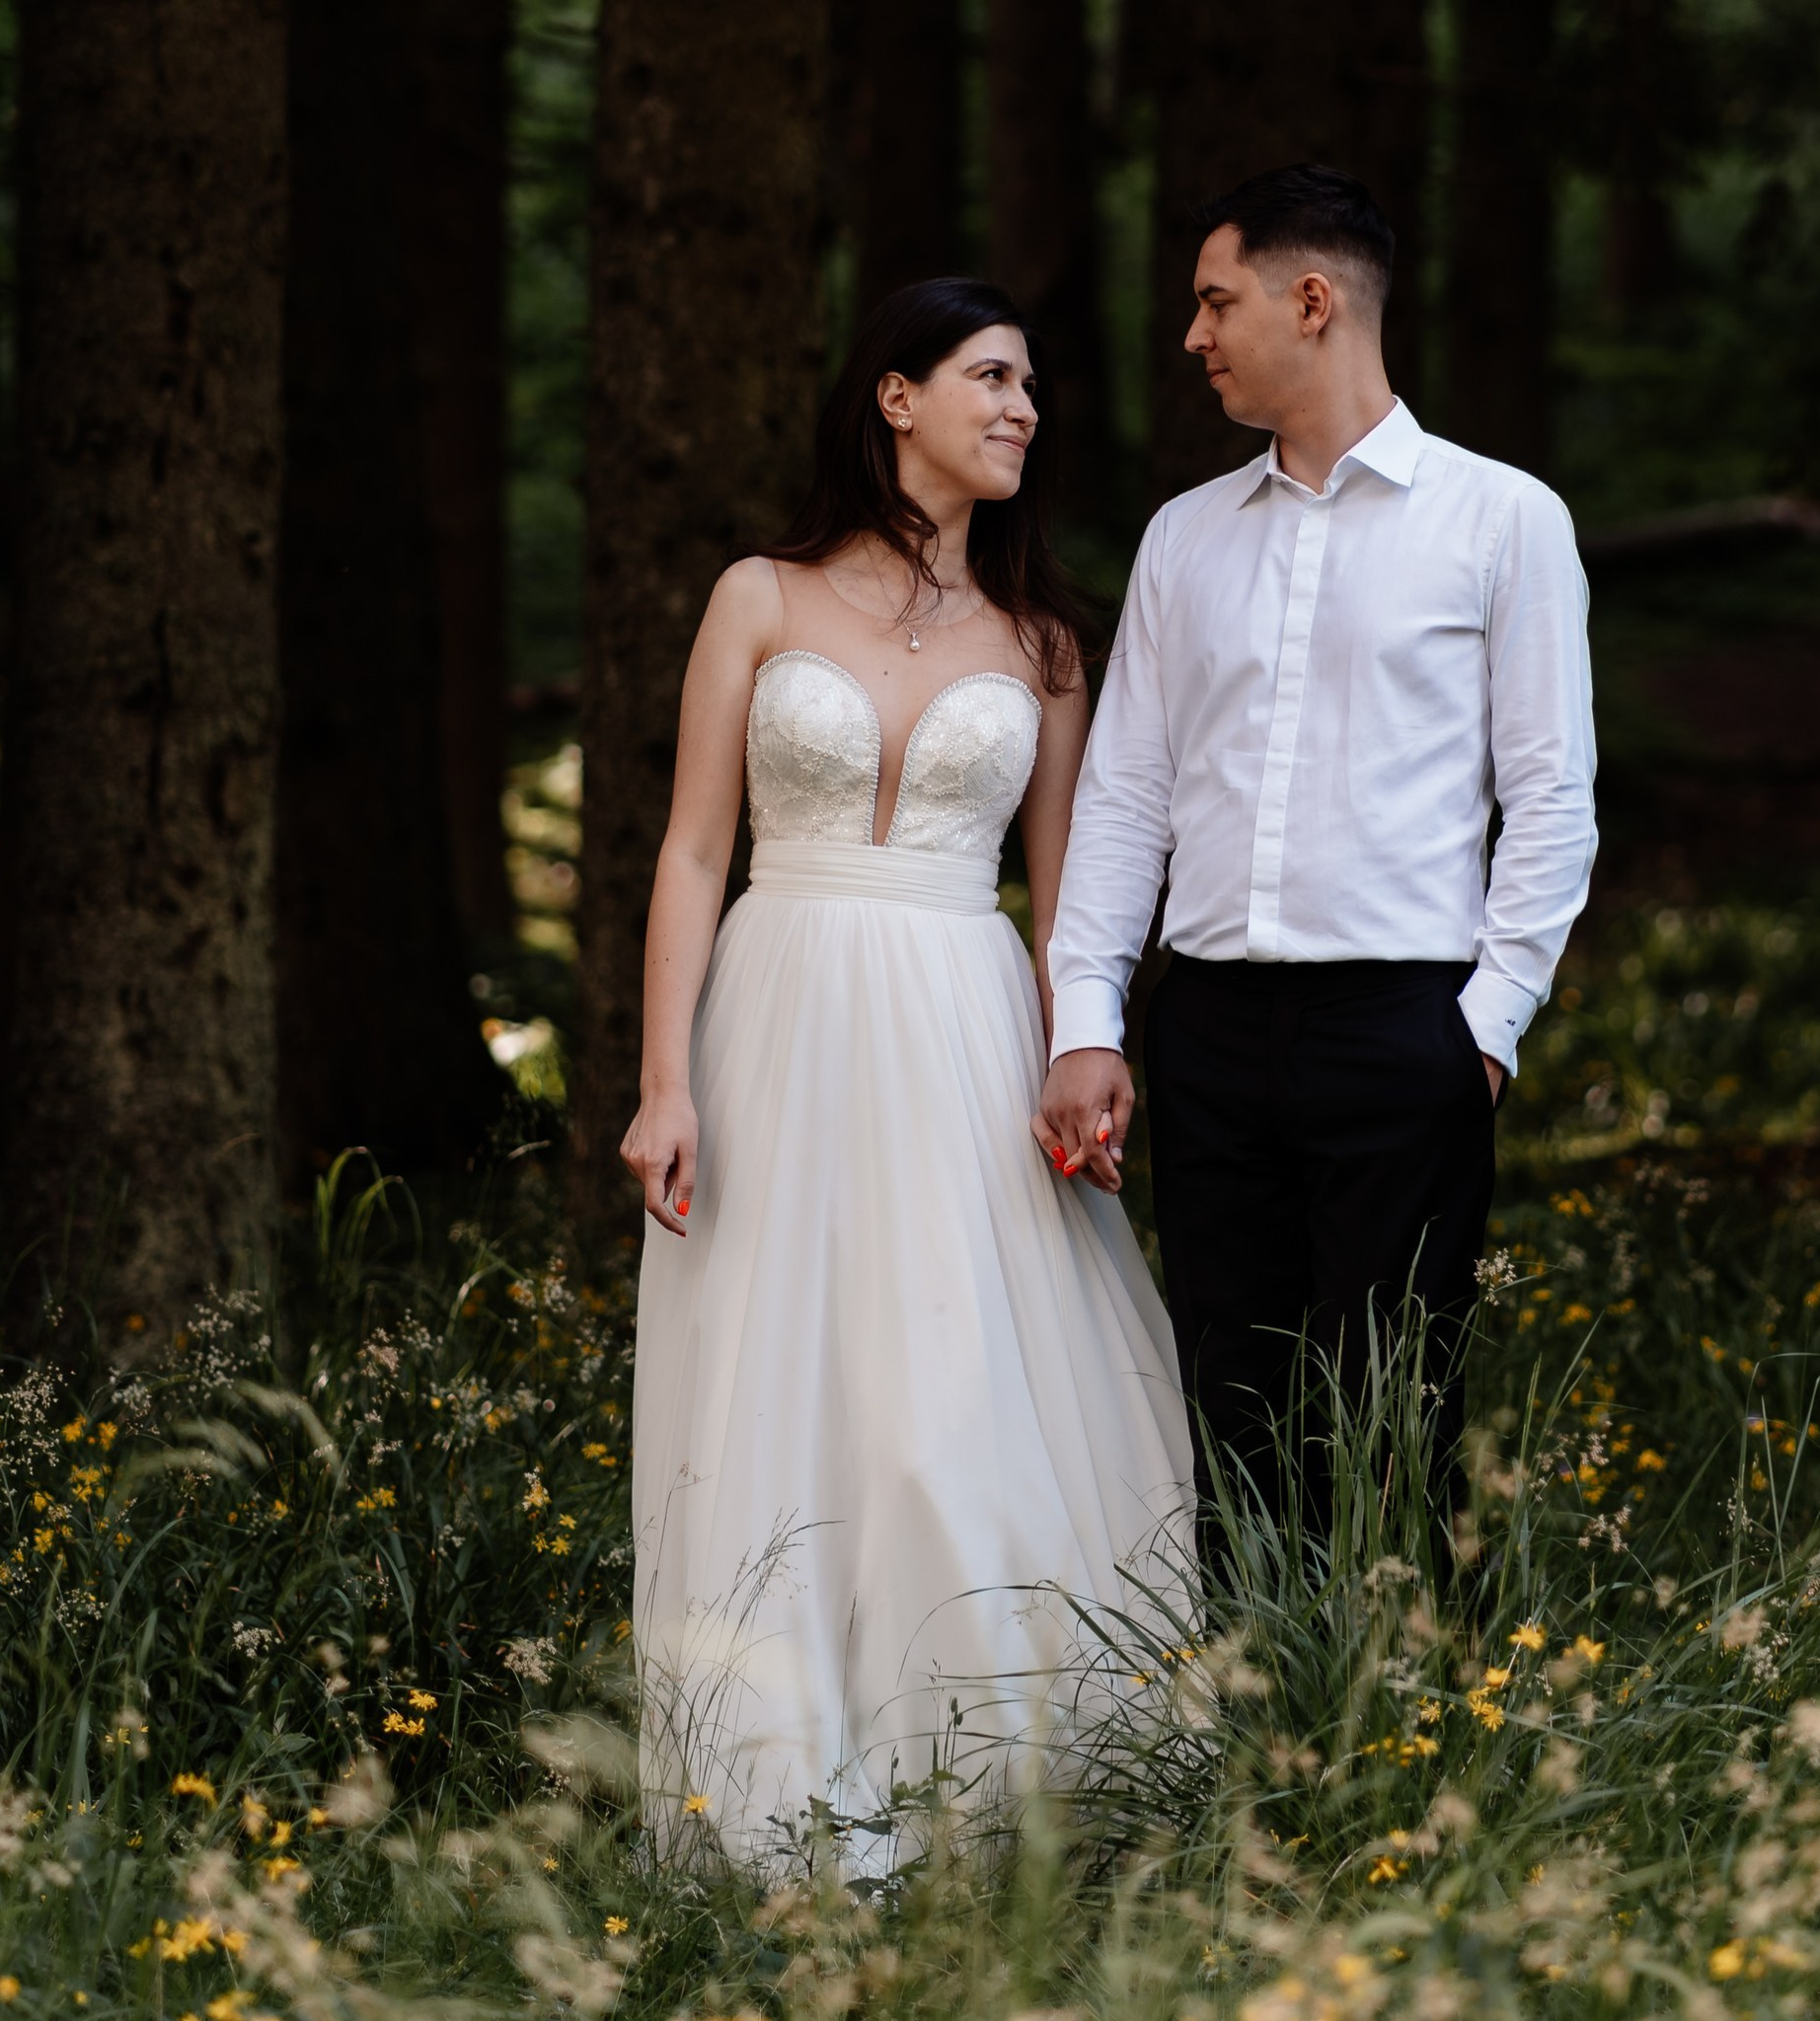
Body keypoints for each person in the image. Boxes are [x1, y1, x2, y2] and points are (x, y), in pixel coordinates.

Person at [621, 278, 1191, 1872]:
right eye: (991, 377)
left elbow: (1073, 888)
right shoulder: (758, 595)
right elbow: (689, 850)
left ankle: (990, 1786)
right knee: (781, 1379)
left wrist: (1092, 1052)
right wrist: (665, 1081)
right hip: (781, 1004)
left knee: (947, 1385)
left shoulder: (1046, 642)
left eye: (1031, 388)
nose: (1022, 408)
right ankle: (772, 1783)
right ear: (896, 397)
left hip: (959, 1011)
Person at [1036, 164, 1599, 1566]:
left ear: (1313, 299)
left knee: (1399, 1404)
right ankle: (1251, 1729)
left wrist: (1485, 1030)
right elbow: (1122, 801)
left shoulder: (1503, 519)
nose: (1195, 336)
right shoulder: (1184, 538)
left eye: (1215, 301)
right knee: (1231, 1400)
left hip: (1406, 1030)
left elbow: (1551, 797)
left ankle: (1415, 1736)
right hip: (1211, 1030)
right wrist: (1090, 1020)